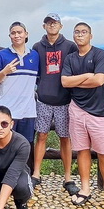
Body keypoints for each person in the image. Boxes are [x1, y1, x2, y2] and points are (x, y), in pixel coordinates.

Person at [61, 22, 104, 209]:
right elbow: (65, 82)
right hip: (76, 108)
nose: (80, 35)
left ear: (91, 35)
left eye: (84, 32)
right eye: (77, 32)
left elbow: (99, 80)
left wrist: (78, 80)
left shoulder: (99, 54)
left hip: (99, 111)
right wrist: (87, 76)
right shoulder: (70, 58)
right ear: (73, 35)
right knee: (82, 150)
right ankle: (85, 189)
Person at [31, 13, 79, 194]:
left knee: (65, 138)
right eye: (48, 23)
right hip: (43, 99)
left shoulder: (70, 46)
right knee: (41, 135)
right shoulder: (37, 47)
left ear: (61, 26)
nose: (51, 25)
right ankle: (36, 173)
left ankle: (68, 177)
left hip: (64, 100)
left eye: (55, 23)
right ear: (44, 26)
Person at [0, 22, 39, 144]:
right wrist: (4, 72)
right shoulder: (1, 55)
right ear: (9, 36)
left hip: (28, 111)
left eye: (19, 32)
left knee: (26, 145)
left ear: (26, 34)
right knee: (5, 145)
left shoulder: (35, 55)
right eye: (13, 33)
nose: (16, 35)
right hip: (7, 111)